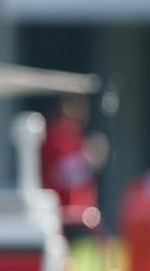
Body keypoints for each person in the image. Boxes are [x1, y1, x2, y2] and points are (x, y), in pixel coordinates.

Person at [40, 94, 107, 235]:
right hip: (63, 210)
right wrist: (88, 158)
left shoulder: (76, 133)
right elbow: (60, 175)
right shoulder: (57, 133)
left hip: (82, 210)